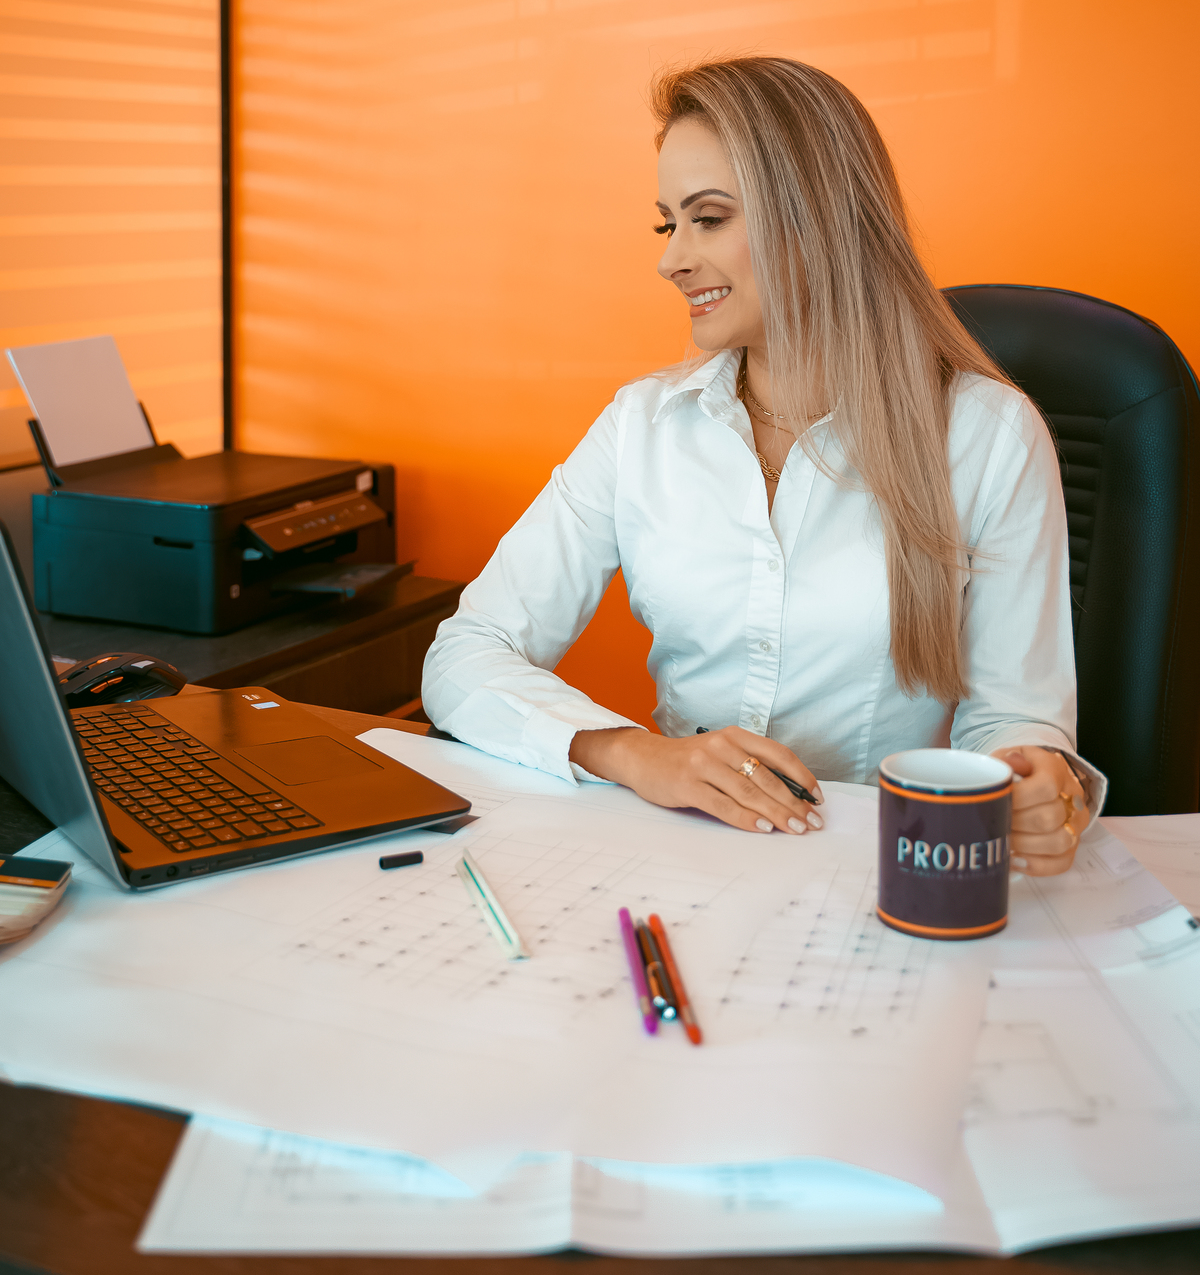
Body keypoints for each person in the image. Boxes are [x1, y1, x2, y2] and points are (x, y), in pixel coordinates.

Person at [423, 58, 1101, 875]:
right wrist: (638, 755)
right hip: (685, 865)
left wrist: (1033, 781)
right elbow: (466, 652)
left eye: (708, 219)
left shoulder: (988, 436)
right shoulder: (641, 427)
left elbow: (1013, 726)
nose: (671, 260)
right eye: (666, 224)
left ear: (818, 218)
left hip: (883, 873)